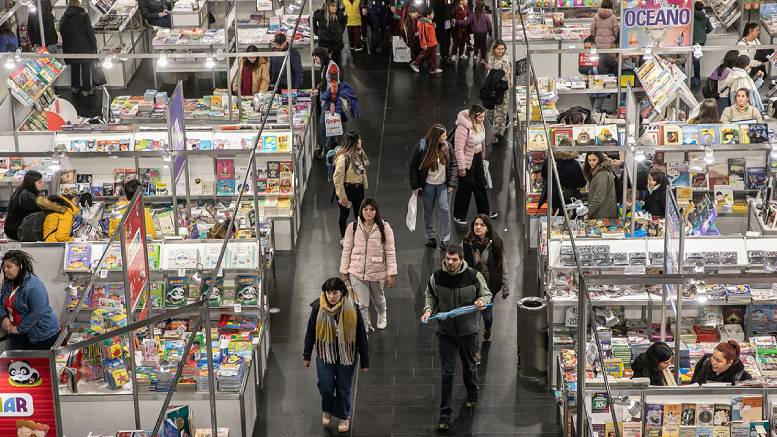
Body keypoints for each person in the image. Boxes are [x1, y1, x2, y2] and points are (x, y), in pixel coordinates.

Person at [421, 245, 491, 432]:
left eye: (454, 259)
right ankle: (445, 414)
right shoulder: (436, 277)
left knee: (469, 366)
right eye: (447, 259)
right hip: (446, 334)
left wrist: (481, 302)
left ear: (461, 259)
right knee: (447, 372)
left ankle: (472, 393)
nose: (450, 263)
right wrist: (428, 310)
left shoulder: (474, 276)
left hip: (469, 333)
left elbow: (486, 294)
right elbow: (430, 297)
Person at [303, 277, 369, 434]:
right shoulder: (318, 307)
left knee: (343, 387)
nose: (332, 296)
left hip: (347, 354)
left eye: (335, 292)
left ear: (342, 292)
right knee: (326, 386)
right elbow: (310, 332)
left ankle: (344, 416)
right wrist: (307, 355)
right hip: (325, 353)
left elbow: (361, 335)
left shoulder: (352, 309)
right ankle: (328, 408)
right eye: (329, 293)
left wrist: (365, 361)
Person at [340, 198, 397, 331]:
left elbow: (390, 251)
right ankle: (364, 325)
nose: (369, 212)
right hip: (356, 271)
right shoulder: (352, 227)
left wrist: (391, 273)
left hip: (376, 271)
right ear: (361, 210)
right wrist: (344, 270)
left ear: (376, 211)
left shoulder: (385, 227)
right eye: (366, 209)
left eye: (372, 209)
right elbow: (346, 250)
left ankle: (382, 314)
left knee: (378, 299)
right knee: (362, 303)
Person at [409, 124, 458, 249]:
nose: (446, 137)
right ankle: (431, 236)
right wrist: (415, 185)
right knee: (428, 211)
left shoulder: (447, 146)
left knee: (444, 209)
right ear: (436, 137)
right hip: (427, 186)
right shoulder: (421, 147)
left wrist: (452, 182)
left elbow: (453, 164)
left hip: (443, 186)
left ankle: (444, 238)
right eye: (443, 135)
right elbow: (413, 167)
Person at [0, 250, 61, 350]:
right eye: (4, 267)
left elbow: (37, 311)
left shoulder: (33, 285)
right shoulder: (8, 283)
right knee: (17, 363)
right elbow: (1, 303)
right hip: (20, 333)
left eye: (9, 267)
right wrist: (4, 317)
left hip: (42, 334)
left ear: (20, 266)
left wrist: (20, 329)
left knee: (37, 364)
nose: (5, 270)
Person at [462, 215, 508, 346]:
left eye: (481, 225)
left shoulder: (496, 243)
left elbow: (503, 264)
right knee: (474, 319)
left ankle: (488, 329)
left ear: (487, 228)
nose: (478, 227)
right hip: (471, 286)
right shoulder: (466, 242)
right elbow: (460, 261)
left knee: (487, 316)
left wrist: (506, 286)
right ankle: (475, 351)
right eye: (476, 224)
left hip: (489, 287)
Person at [453, 104, 497, 225]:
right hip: (467, 161)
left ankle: (484, 212)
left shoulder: (480, 124)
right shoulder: (462, 129)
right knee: (465, 188)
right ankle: (459, 215)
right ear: (474, 116)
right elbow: (459, 149)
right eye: (481, 117)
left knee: (480, 185)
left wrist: (482, 156)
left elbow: (481, 141)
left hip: (477, 158)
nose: (483, 119)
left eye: (484, 116)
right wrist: (462, 167)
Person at [333, 131, 369, 242]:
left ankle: (360, 235)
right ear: (353, 142)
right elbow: (338, 179)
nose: (360, 141)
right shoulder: (343, 158)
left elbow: (363, 169)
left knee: (360, 213)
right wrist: (342, 196)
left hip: (358, 188)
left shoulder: (359, 153)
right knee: (344, 214)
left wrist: (364, 183)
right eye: (358, 139)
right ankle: (343, 237)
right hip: (347, 189)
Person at [537, 142, 587, 216]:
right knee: (570, 218)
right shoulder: (574, 164)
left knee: (557, 218)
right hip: (570, 197)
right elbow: (582, 183)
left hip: (553, 195)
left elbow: (544, 175)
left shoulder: (550, 160)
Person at [60, 0, 97, 96]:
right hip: (85, 47)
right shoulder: (83, 15)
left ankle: (75, 87)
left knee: (74, 67)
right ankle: (86, 89)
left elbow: (62, 32)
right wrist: (94, 47)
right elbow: (90, 33)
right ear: (78, 4)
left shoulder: (64, 17)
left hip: (71, 49)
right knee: (86, 68)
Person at [321, 63, 360, 151]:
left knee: (329, 124)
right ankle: (334, 143)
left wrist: (324, 97)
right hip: (337, 106)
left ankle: (329, 145)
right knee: (334, 124)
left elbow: (328, 94)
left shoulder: (332, 79)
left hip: (333, 105)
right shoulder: (340, 82)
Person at [4, 171, 44, 241]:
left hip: (11, 228)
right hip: (16, 232)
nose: (43, 184)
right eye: (39, 182)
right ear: (31, 183)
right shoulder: (27, 197)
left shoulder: (22, 189)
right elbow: (43, 211)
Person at [485, 40, 511, 144]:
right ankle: (500, 126)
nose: (501, 51)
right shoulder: (491, 57)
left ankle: (496, 134)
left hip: (501, 90)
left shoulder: (505, 60)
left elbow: (504, 74)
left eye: (502, 49)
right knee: (490, 111)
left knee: (500, 112)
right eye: (498, 49)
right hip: (491, 88)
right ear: (494, 49)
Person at [584, 151, 617, 219]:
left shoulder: (602, 174)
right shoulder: (600, 171)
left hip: (602, 215)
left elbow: (598, 198)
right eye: (589, 160)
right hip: (603, 212)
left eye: (594, 160)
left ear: (600, 159)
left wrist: (588, 214)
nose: (591, 163)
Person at [313, 0, 347, 67]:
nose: (335, 8)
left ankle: (337, 76)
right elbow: (311, 21)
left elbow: (344, 21)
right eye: (333, 6)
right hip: (324, 44)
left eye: (335, 6)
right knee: (324, 64)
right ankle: (324, 77)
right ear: (327, 7)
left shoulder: (339, 14)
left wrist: (340, 31)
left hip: (336, 44)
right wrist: (317, 32)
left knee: (336, 65)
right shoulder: (320, 14)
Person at [410, 8, 442, 74]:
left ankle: (433, 68)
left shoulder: (428, 21)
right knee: (423, 55)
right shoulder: (424, 23)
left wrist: (433, 25)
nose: (434, 14)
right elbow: (423, 34)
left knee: (433, 56)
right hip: (428, 43)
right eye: (432, 13)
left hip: (432, 42)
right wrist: (424, 43)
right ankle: (415, 64)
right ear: (428, 15)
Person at [710, 50, 738, 115]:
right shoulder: (731, 72)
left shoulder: (720, 68)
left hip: (719, 96)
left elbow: (712, 78)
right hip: (727, 98)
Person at [691, 1, 712, 86]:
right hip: (702, 40)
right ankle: (696, 77)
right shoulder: (705, 17)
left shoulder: (691, 16)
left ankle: (696, 78)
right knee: (696, 58)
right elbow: (710, 28)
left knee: (695, 59)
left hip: (692, 39)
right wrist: (704, 32)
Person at [430, 0, 452, 65]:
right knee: (435, 39)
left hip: (447, 21)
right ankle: (430, 58)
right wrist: (432, 20)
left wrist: (451, 18)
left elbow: (450, 7)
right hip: (438, 21)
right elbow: (432, 8)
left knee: (446, 39)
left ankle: (444, 55)